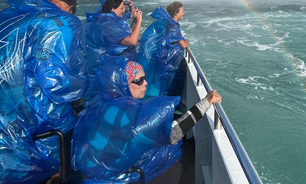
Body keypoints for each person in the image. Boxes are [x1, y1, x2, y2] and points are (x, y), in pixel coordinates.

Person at [0, 0, 88, 184]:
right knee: (71, 126)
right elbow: (56, 83)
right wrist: (80, 92)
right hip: (28, 123)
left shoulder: (4, 17)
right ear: (70, 9)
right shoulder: (62, 22)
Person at [72, 56, 221, 183]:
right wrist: (205, 103)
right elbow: (173, 133)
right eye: (139, 80)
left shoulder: (105, 101)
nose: (146, 83)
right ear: (124, 84)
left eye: (145, 77)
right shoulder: (126, 114)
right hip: (105, 177)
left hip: (91, 167)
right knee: (173, 159)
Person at [84, 0, 142, 99]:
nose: (124, 11)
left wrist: (134, 21)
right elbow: (132, 41)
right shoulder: (107, 24)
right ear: (113, 9)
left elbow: (128, 34)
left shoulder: (111, 18)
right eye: (122, 8)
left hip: (109, 64)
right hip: (103, 66)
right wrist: (139, 22)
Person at [137, 1, 189, 97]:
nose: (183, 13)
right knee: (167, 79)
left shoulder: (166, 22)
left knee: (158, 77)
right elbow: (183, 45)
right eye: (182, 11)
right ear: (176, 13)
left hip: (162, 55)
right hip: (169, 59)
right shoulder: (174, 25)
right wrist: (187, 41)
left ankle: (154, 94)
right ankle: (165, 97)